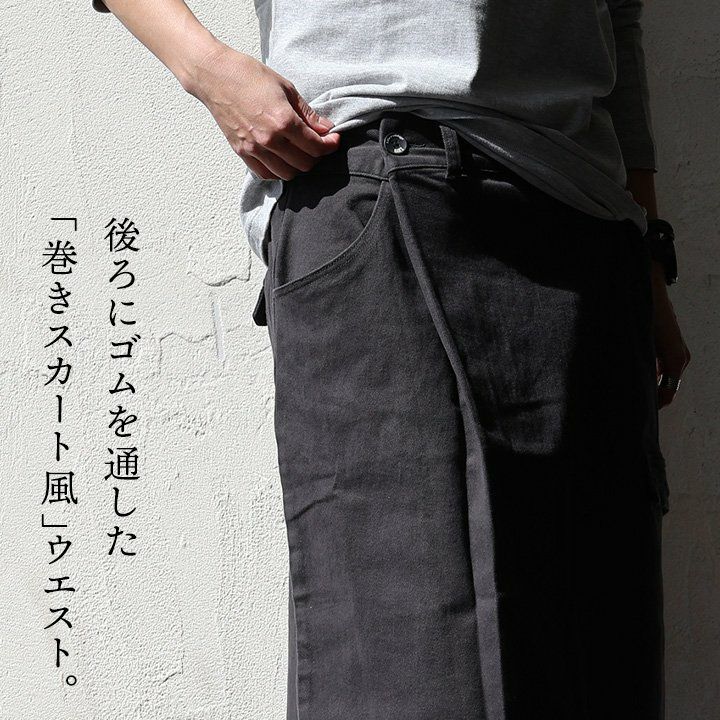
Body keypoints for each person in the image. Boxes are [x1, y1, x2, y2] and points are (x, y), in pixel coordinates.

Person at [90, 1, 691, 718]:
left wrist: (648, 254)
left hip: (586, 227)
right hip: (380, 185)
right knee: (409, 650)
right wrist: (211, 72)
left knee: (596, 649)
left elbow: (617, 19)